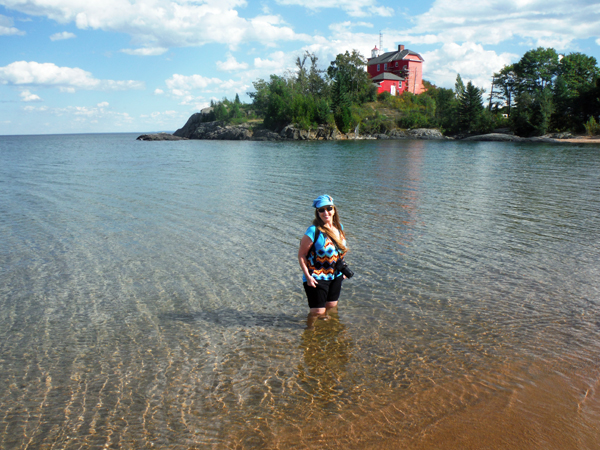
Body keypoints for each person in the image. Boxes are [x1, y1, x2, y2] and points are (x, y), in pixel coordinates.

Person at [298, 195, 348, 318]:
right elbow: (301, 255)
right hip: (316, 277)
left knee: (331, 306)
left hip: (335, 275)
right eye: (321, 210)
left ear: (334, 210)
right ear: (317, 212)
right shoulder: (313, 231)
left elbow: (340, 251)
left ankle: (328, 332)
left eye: (329, 208)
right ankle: (310, 333)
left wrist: (343, 270)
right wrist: (308, 277)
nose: (326, 212)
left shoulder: (339, 227)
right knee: (317, 313)